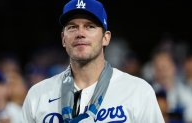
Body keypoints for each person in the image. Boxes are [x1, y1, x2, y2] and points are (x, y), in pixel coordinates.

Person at [21, 0, 165, 122]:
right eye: (72, 27)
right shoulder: (38, 95)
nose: (80, 33)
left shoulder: (137, 91)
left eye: (90, 26)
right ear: (63, 39)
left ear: (106, 38)